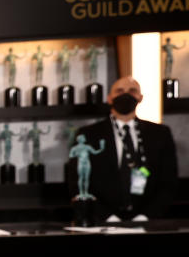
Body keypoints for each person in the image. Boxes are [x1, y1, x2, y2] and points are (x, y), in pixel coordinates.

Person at [70, 76, 178, 221]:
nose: (125, 94)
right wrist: (108, 218)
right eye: (119, 91)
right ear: (109, 98)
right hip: (102, 222)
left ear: (140, 97)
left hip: (149, 222)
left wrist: (145, 217)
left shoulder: (160, 134)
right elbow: (77, 180)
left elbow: (168, 181)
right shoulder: (89, 134)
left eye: (132, 91)